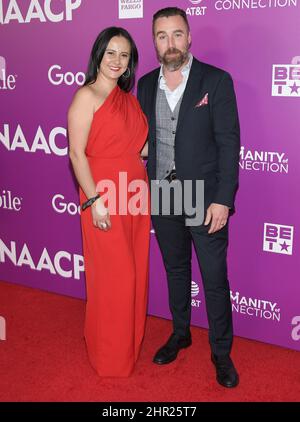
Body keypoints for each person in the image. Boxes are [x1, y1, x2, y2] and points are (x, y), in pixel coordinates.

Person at [137, 7, 240, 388]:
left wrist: (223, 199)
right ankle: (181, 333)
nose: (170, 43)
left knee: (213, 278)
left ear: (190, 36)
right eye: (162, 36)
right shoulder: (146, 84)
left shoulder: (216, 80)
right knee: (176, 270)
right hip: (163, 190)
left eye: (177, 34)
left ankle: (221, 353)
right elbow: (146, 140)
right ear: (154, 41)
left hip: (204, 196)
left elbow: (229, 144)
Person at [68, 27, 150, 377]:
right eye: (111, 53)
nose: (117, 61)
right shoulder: (86, 96)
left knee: (135, 275)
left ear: (131, 62)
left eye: (125, 55)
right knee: (116, 277)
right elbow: (76, 152)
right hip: (102, 195)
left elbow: (139, 148)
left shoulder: (130, 100)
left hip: (135, 195)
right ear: (99, 54)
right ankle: (110, 356)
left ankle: (127, 348)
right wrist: (92, 202)